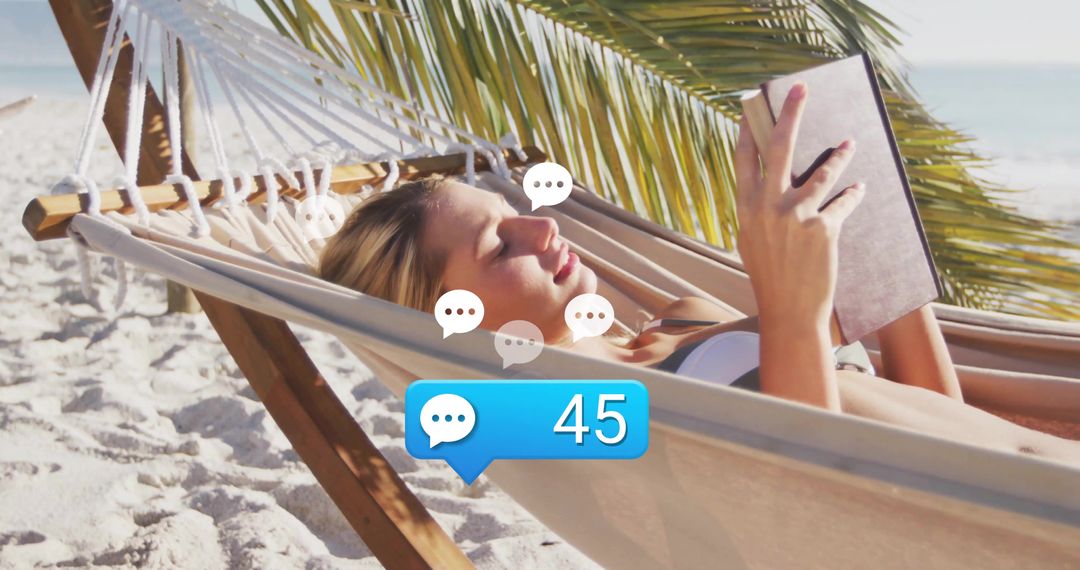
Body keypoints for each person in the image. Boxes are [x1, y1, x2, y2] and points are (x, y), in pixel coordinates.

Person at [318, 82, 1080, 465]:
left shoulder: (682, 313)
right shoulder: (552, 416)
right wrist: (791, 309)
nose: (542, 226)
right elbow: (819, 497)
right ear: (445, 317)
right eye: (498, 247)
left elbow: (929, 426)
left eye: (513, 211)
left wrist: (871, 257)